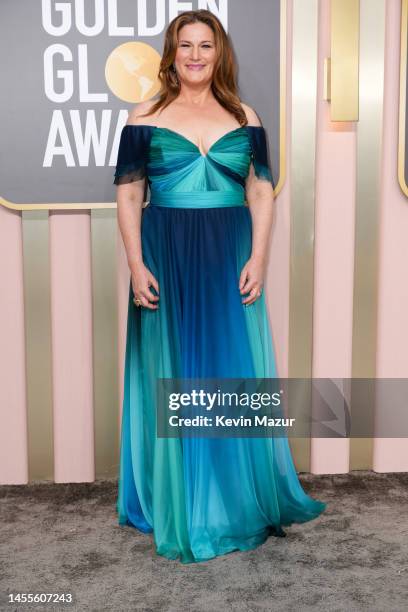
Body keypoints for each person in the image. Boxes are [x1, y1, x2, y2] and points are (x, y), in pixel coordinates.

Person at [114, 9, 326, 564]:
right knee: (175, 372)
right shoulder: (146, 114)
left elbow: (261, 191)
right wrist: (135, 263)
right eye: (185, 46)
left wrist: (258, 255)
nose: (195, 56)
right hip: (167, 252)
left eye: (206, 46)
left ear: (219, 52)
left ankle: (229, 497)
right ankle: (182, 500)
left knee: (229, 370)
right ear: (172, 52)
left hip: (230, 252)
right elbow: (130, 195)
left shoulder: (244, 114)